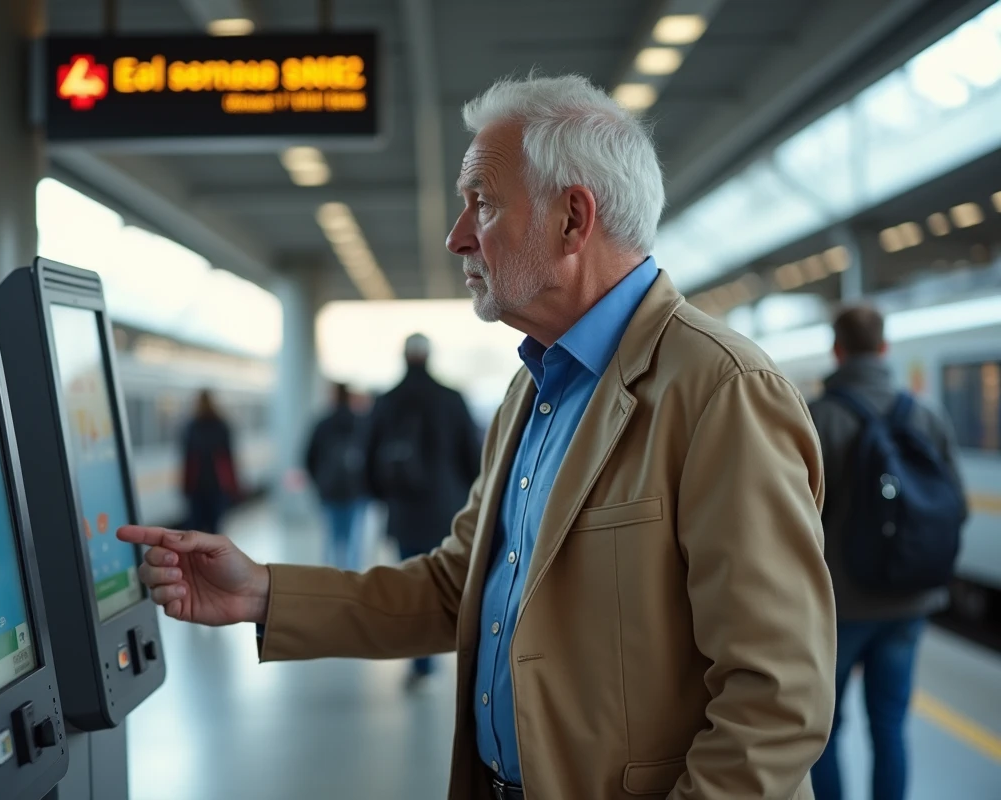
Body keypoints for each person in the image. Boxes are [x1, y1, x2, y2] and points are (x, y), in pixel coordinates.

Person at [120, 73, 836, 799]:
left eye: (483, 204)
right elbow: (455, 586)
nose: (457, 236)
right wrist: (266, 594)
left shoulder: (722, 391)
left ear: (572, 219)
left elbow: (775, 702)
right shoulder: (534, 391)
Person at [808, 306, 967, 800]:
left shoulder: (817, 417)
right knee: (891, 726)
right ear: (884, 349)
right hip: (909, 603)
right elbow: (957, 505)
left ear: (837, 350)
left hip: (840, 610)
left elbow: (796, 522)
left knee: (824, 732)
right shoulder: (924, 414)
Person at [363, 333, 480, 687]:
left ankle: (421, 661)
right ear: (429, 356)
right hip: (446, 508)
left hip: (404, 508)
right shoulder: (451, 398)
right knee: (450, 579)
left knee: (412, 582)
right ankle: (461, 653)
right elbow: (472, 454)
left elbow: (368, 455)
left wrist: (383, 496)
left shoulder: (386, 400)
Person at [305, 382, 368, 570]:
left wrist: (319, 483)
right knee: (354, 543)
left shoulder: (322, 424)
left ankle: (329, 581)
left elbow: (309, 457)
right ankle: (352, 582)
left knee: (331, 540)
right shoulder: (361, 423)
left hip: (329, 490)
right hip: (357, 491)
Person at [180, 390, 239, 534]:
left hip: (197, 485)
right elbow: (229, 458)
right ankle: (213, 555)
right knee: (215, 527)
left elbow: (186, 459)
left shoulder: (191, 427)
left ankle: (196, 555)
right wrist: (234, 485)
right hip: (217, 485)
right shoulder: (222, 425)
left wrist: (185, 485)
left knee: (195, 526)